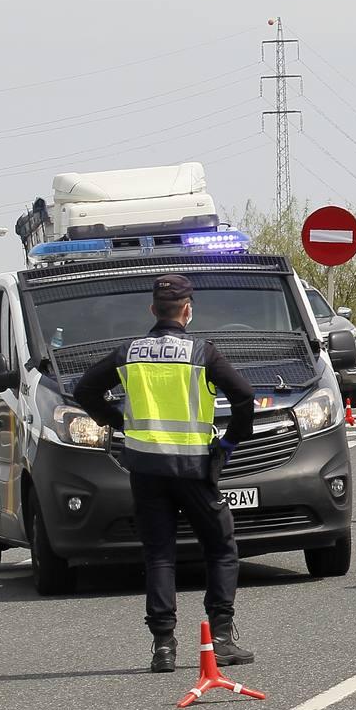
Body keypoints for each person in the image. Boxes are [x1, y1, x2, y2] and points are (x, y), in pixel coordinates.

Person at [74, 275, 258, 673]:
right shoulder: (202, 353)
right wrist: (229, 442)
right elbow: (243, 396)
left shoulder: (129, 352)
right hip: (193, 467)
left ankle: (163, 646)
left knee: (160, 553)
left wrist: (119, 421)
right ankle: (221, 638)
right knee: (221, 546)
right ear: (188, 310)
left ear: (152, 310)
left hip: (145, 468)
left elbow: (85, 390)